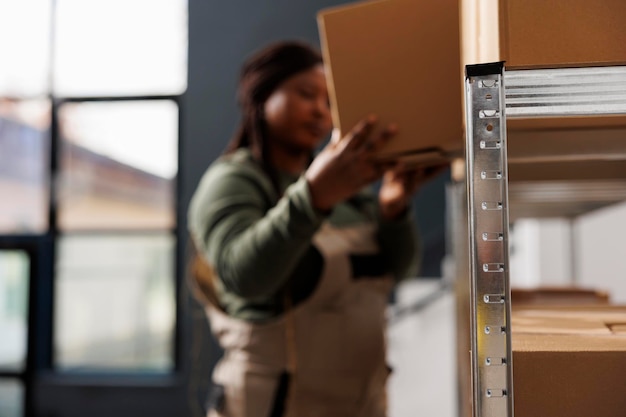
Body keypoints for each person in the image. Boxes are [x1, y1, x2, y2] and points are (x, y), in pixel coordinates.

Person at [188, 40, 445, 417]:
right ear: (261, 95)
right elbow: (241, 276)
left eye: (328, 102)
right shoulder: (234, 180)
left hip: (362, 404)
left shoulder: (348, 191)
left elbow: (400, 272)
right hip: (273, 404)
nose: (319, 111)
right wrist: (312, 197)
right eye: (306, 94)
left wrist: (392, 209)